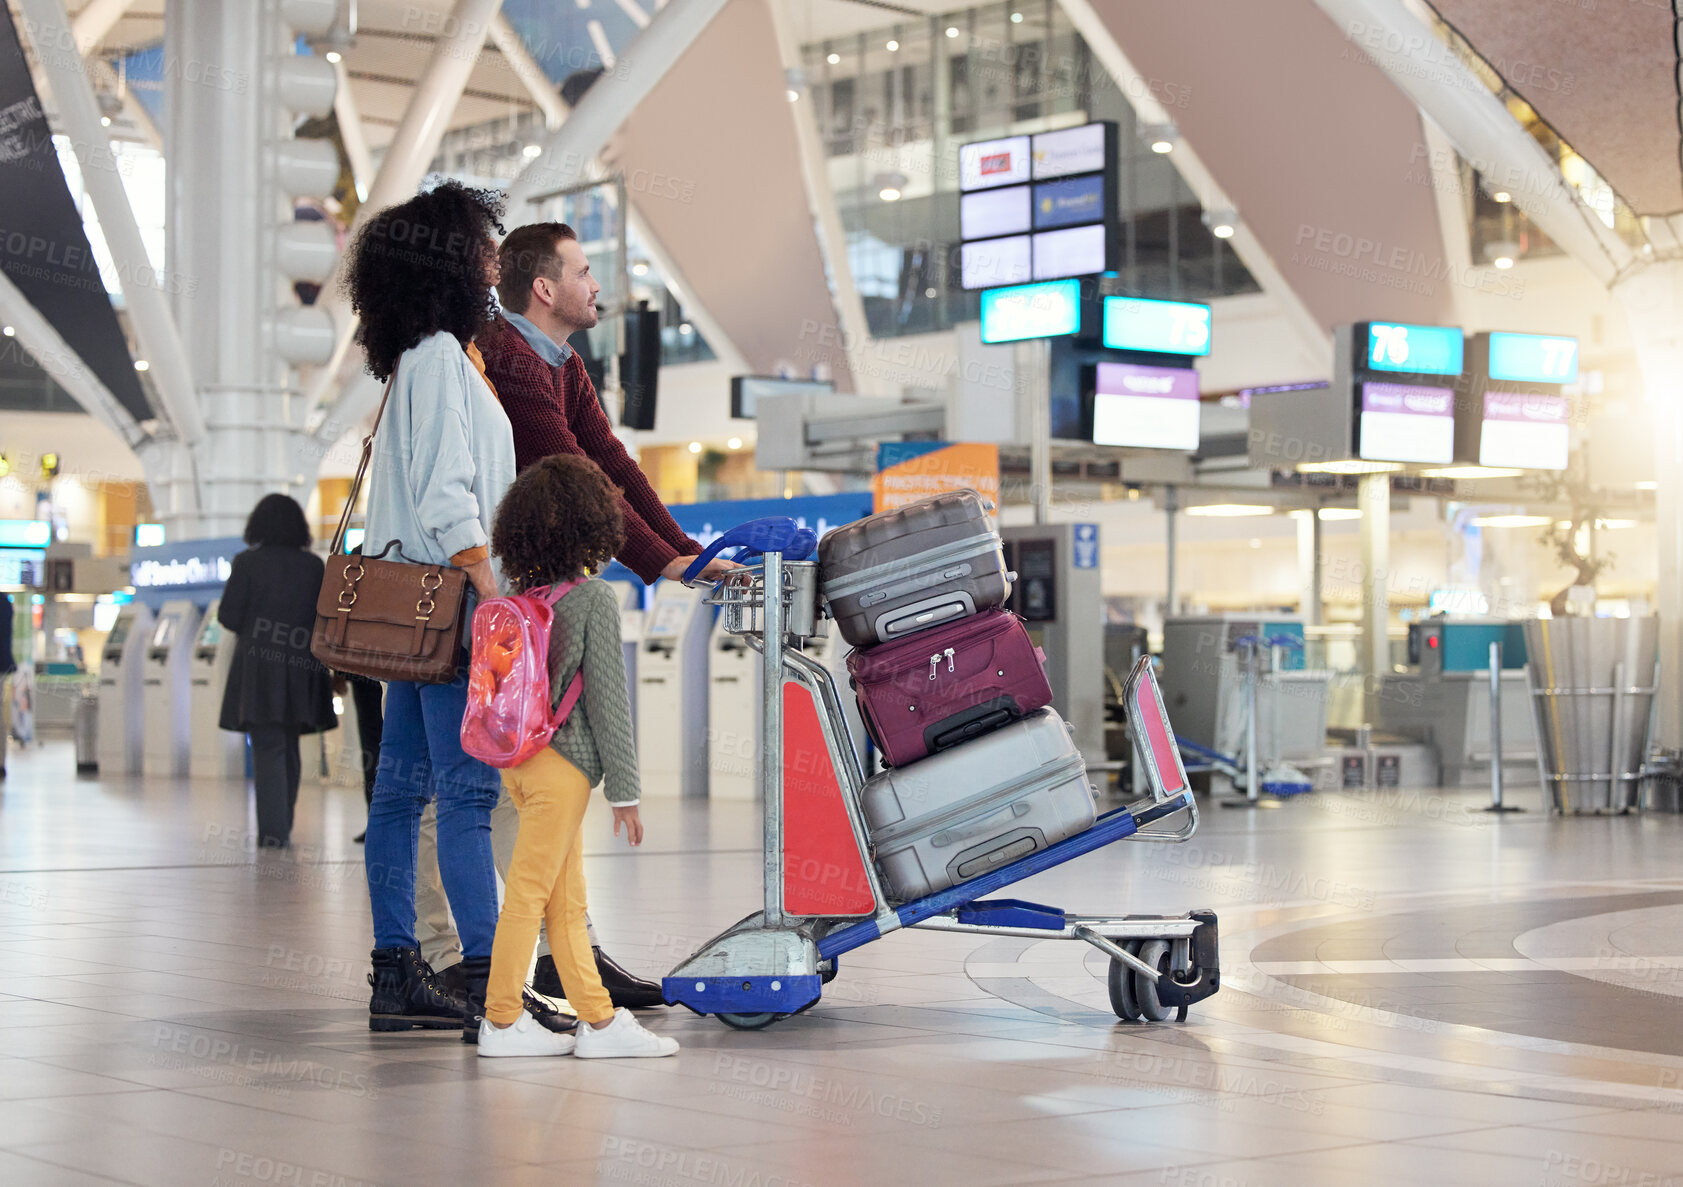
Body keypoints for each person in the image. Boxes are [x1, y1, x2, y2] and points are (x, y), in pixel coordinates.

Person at [434, 220, 736, 1012]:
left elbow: (612, 462)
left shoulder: (558, 363)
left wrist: (684, 553)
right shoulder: (508, 358)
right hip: (501, 597)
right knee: (521, 778)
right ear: (544, 287)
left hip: (525, 594)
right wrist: (660, 562)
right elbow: (571, 471)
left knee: (531, 778)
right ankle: (518, 968)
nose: (597, 283)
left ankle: (565, 956)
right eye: (583, 269)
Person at [343, 180, 529, 1041]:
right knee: (467, 797)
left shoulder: (417, 359)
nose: (496, 260)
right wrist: (493, 594)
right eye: (484, 247)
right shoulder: (443, 362)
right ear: (451, 261)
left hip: (403, 611)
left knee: (398, 795)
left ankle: (397, 971)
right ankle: (494, 978)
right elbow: (450, 493)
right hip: (451, 606)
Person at [477, 453, 677, 1058]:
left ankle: (599, 1021)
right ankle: (501, 1021)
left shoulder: (517, 593)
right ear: (593, 524)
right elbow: (609, 704)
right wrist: (627, 792)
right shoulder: (591, 601)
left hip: (516, 760)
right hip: (561, 770)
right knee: (531, 897)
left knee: (565, 903)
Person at [217, 494, 338, 847]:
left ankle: (273, 832)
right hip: (302, 668)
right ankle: (281, 824)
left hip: (258, 668)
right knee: (289, 743)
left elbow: (228, 616)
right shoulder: (314, 566)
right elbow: (323, 619)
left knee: (268, 746)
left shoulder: (246, 563)